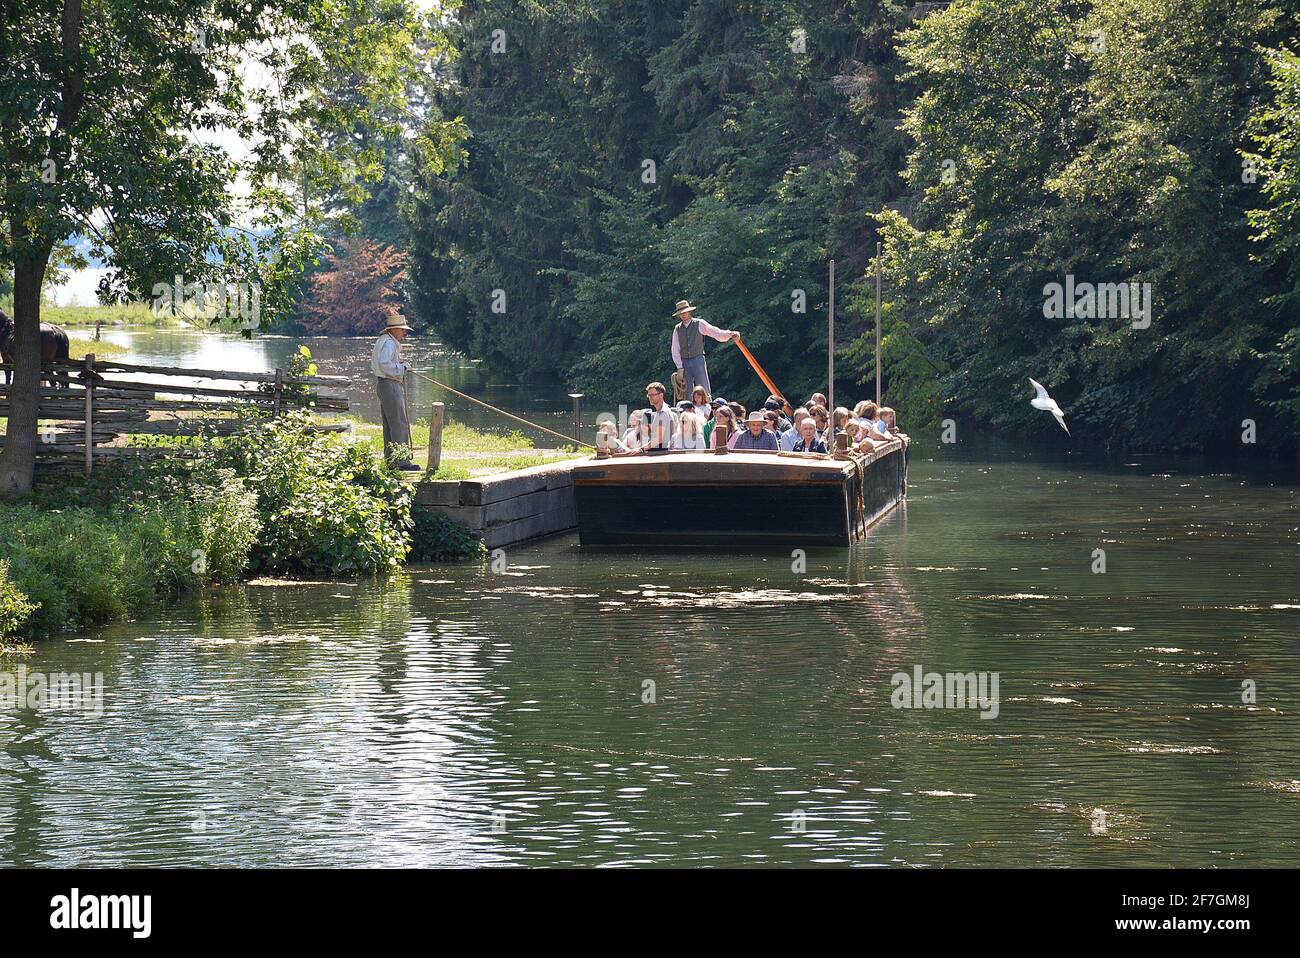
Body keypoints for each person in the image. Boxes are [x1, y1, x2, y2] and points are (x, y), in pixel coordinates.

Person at [371, 315, 420, 471]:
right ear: (394, 329)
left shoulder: (383, 341)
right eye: (402, 330)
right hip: (390, 384)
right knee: (399, 423)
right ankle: (402, 461)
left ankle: (392, 460)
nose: (404, 334)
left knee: (390, 424)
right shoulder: (390, 343)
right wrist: (402, 368)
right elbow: (385, 365)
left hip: (384, 384)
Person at [670, 300, 739, 397]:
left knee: (703, 387)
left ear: (689, 312)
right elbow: (675, 349)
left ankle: (708, 407)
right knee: (687, 391)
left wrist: (729, 334)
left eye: (685, 312)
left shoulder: (699, 323)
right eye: (681, 313)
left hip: (698, 359)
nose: (683, 315)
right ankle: (687, 409)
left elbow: (715, 332)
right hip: (684, 362)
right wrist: (679, 367)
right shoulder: (677, 329)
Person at [642, 381, 677, 450]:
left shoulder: (663, 412)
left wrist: (641, 449)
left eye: (653, 395)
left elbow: (659, 439)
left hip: (661, 453)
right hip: (661, 452)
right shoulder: (661, 411)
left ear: (661, 395)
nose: (650, 397)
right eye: (649, 395)